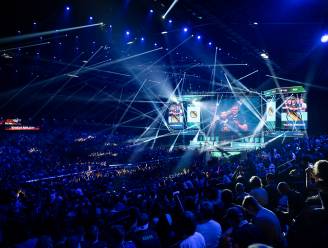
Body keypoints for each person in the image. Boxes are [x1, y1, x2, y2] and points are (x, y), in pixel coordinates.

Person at [287, 160, 328, 248]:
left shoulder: (321, 183)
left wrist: (307, 174)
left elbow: (309, 186)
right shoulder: (324, 180)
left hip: (326, 211)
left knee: (305, 213)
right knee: (310, 205)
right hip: (324, 207)